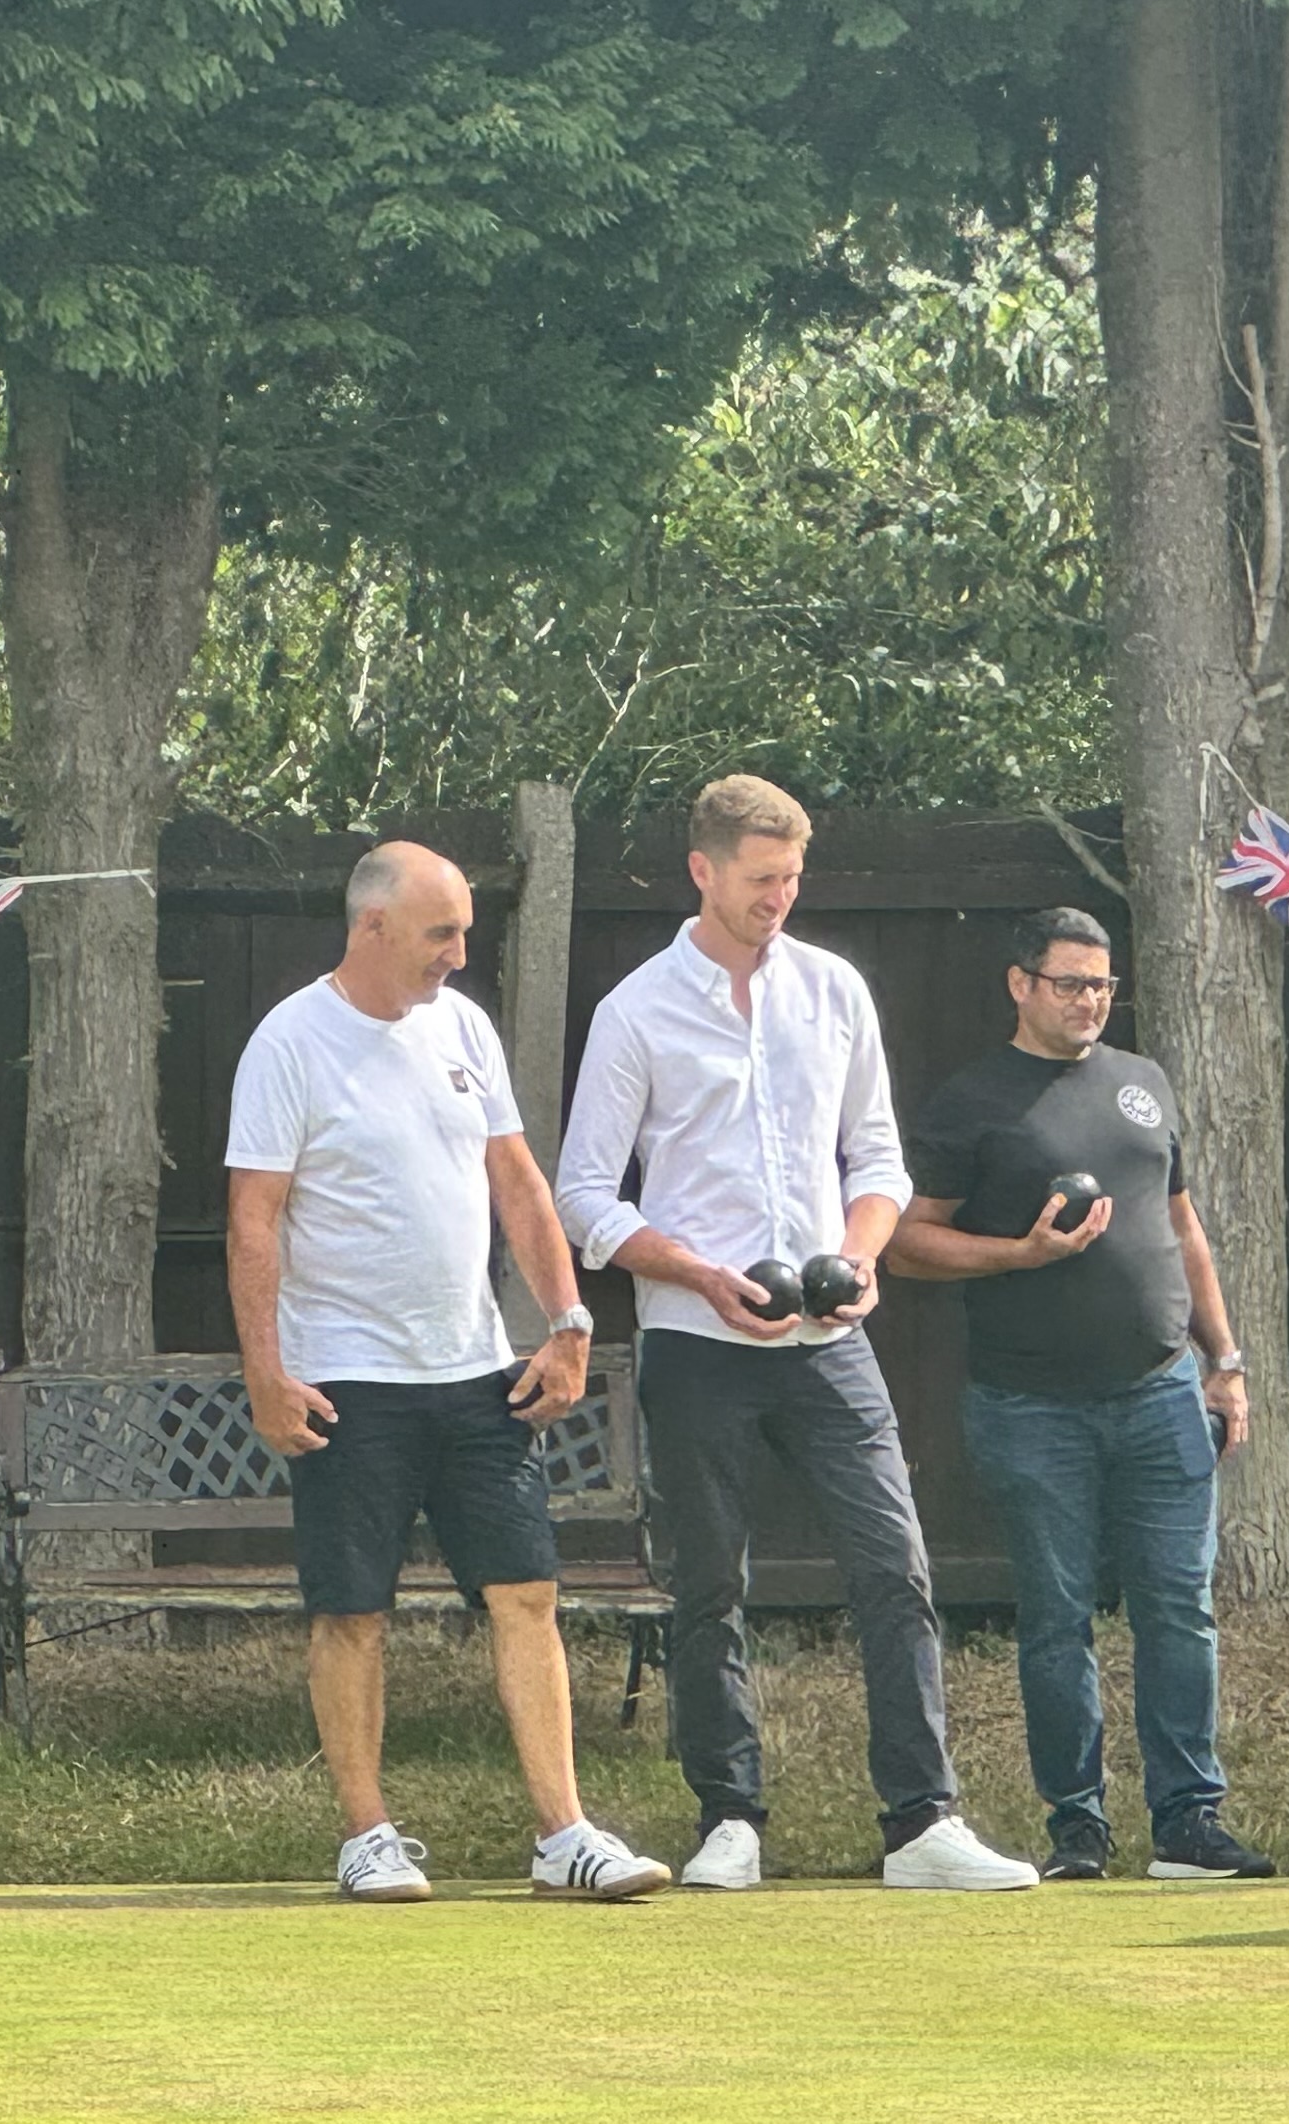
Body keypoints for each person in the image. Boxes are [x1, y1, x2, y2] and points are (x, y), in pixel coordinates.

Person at [554, 774, 1037, 1893]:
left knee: (896, 1569)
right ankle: (729, 1818)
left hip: (830, 1341)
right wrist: (699, 1274)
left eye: (793, 878)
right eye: (762, 878)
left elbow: (877, 1160)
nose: (781, 896)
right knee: (707, 1583)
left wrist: (863, 1259)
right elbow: (586, 1194)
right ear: (704, 872)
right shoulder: (636, 1010)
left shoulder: (835, 991)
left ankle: (922, 1824)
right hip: (696, 1337)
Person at [225, 841, 669, 1904]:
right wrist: (266, 1376)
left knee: (527, 1594)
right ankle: (367, 1835)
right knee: (353, 1613)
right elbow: (253, 1220)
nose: (458, 956)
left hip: (477, 1372)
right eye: (441, 934)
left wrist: (567, 1322)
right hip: (345, 1378)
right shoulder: (290, 1042)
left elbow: (517, 1180)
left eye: (464, 932)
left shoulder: (463, 1029)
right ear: (370, 926)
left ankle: (565, 1835)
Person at [886, 907, 1273, 1881]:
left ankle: (1188, 1823)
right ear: (1020, 985)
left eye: (1102, 985)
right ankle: (1078, 1829)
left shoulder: (1142, 1085)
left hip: (1161, 1391)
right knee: (1057, 1618)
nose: (1089, 1002)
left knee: (1178, 1611)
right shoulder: (973, 1102)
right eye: (1069, 983)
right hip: (1030, 1406)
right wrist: (1020, 1253)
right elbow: (907, 1242)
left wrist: (1222, 1358)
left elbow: (1182, 1227)